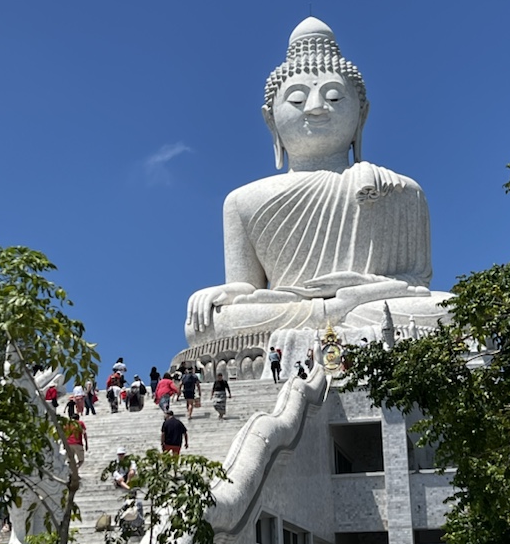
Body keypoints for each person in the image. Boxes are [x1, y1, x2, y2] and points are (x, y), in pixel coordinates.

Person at [184, 17, 450, 347]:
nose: (316, 108)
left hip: (366, 304)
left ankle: (331, 319)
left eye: (334, 97)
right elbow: (247, 287)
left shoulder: (400, 190)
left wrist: (354, 291)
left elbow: (416, 284)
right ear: (270, 120)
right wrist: (223, 293)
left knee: (447, 309)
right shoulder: (242, 201)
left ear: (362, 114)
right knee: (210, 323)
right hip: (285, 308)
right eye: (297, 100)